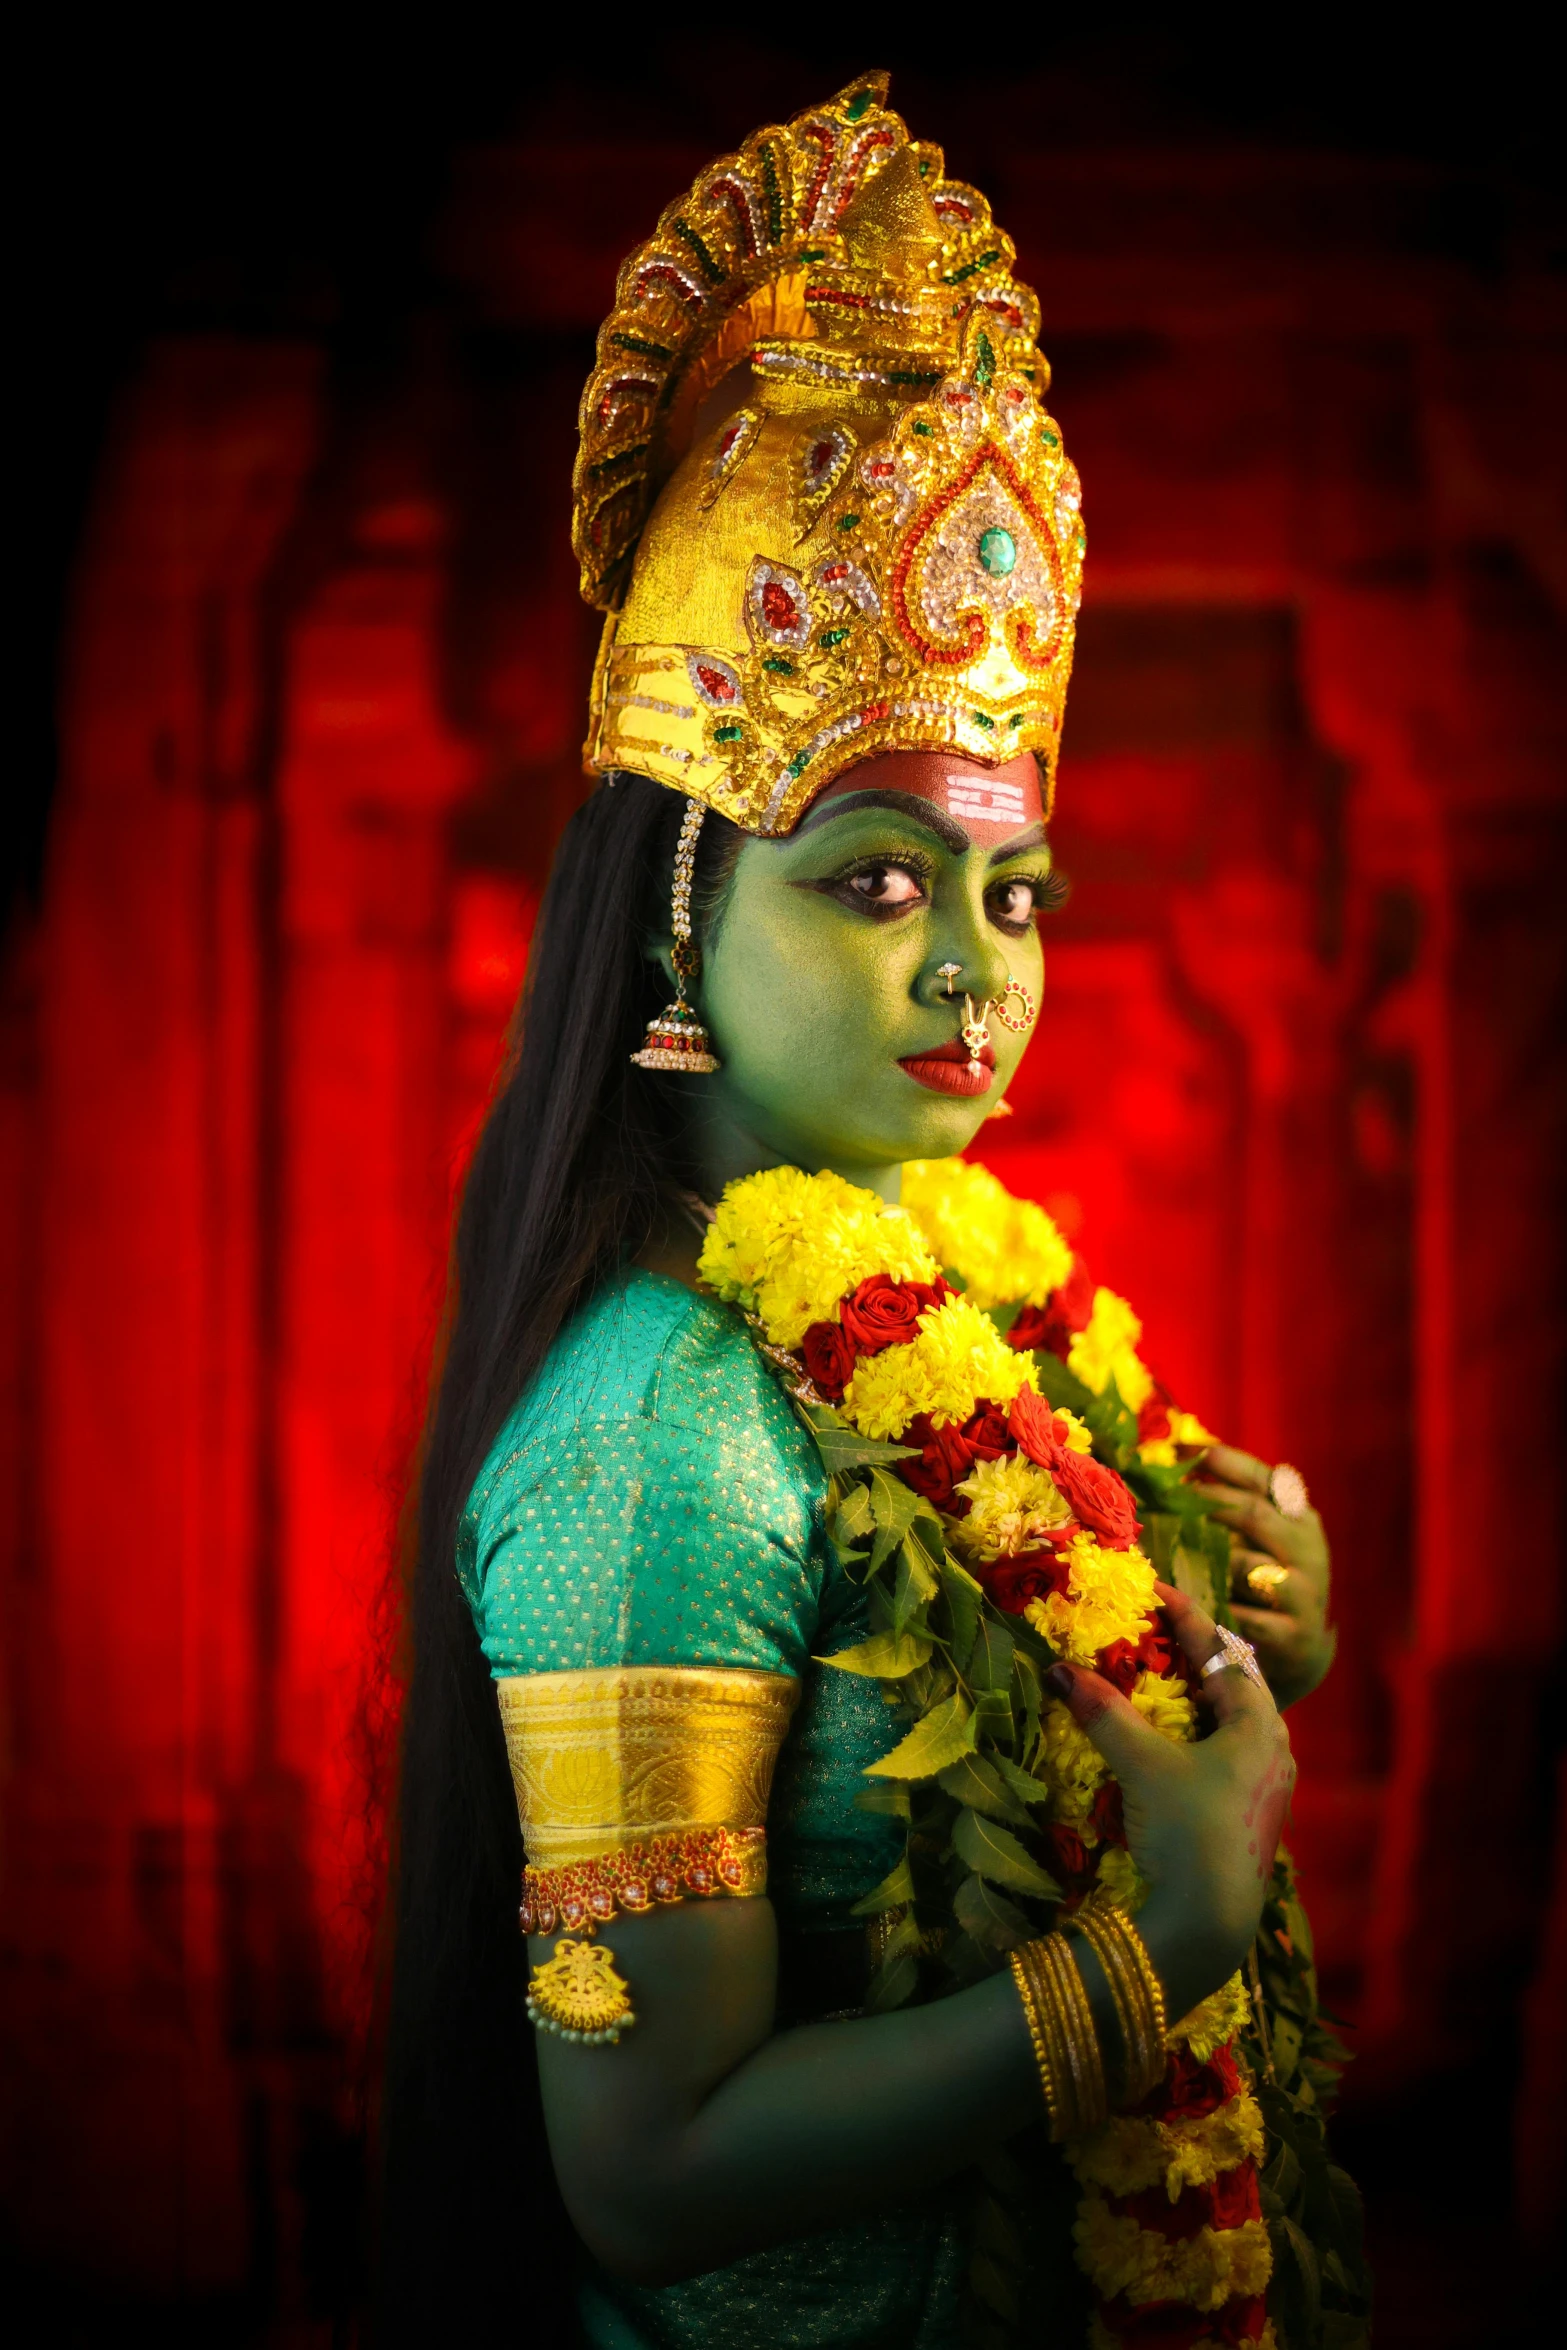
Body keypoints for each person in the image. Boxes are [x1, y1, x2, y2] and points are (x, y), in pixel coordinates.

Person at [380, 76, 1338, 2350]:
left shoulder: (951, 1306)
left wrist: (1203, 1629)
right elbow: (646, 2177)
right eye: (879, 880)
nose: (972, 969)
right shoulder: (657, 1443)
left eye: (1015, 890)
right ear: (671, 929)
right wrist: (1151, 1957)